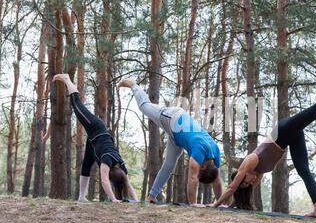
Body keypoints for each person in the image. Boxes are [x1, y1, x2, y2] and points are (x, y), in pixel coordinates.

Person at [212, 69, 316, 218]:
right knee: (303, 170)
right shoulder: (258, 173)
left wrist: (214, 205)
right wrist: (232, 206)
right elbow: (240, 193)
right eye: (248, 184)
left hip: (283, 131)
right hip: (290, 139)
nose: (250, 182)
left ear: (241, 174)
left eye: (246, 180)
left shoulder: (250, 161)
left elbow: (232, 188)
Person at [118, 80, 222, 206]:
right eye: (200, 171)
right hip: (172, 118)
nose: (198, 170)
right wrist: (194, 203)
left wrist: (220, 203)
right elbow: (192, 178)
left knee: (168, 165)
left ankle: (151, 196)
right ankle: (132, 84)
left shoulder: (215, 154)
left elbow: (217, 181)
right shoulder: (199, 150)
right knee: (144, 106)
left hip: (177, 138)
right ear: (204, 166)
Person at [53, 74, 138, 203]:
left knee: (87, 164)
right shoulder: (106, 161)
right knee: (76, 104)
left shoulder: (122, 167)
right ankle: (67, 79)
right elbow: (104, 181)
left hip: (94, 141)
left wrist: (136, 201)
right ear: (111, 174)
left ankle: (81, 197)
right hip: (96, 128)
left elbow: (128, 185)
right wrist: (114, 199)